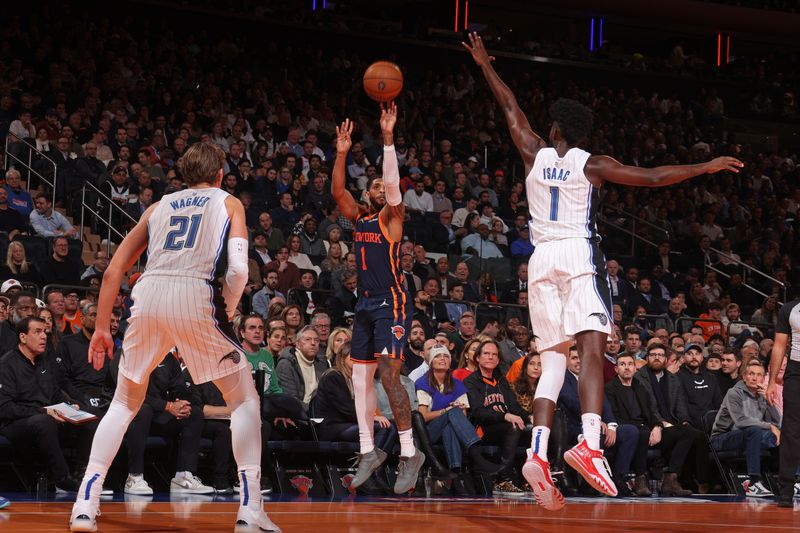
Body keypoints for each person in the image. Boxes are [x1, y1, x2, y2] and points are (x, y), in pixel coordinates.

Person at [462, 32, 744, 510]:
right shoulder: (592, 164)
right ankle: (590, 444)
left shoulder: (532, 150)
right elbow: (654, 177)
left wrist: (486, 64)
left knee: (552, 362)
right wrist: (707, 166)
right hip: (576, 254)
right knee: (593, 346)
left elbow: (509, 105)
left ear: (553, 131)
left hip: (540, 260)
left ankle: (537, 451)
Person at [69, 142, 280, 532]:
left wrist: (101, 327)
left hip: (147, 294)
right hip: (194, 292)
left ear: (183, 175)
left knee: (123, 402)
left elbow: (114, 270)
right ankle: (250, 509)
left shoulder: (157, 207)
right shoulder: (228, 202)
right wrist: (228, 310)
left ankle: (85, 502)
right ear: (219, 174)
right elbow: (237, 272)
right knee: (244, 398)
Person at [331, 104, 425, 494]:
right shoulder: (359, 219)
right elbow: (338, 190)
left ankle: (408, 452)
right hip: (366, 304)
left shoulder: (392, 217)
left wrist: (388, 140)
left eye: (378, 187)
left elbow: (391, 186)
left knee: (389, 374)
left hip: (392, 301)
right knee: (359, 377)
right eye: (368, 186)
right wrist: (340, 152)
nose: (374, 189)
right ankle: (369, 450)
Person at [713, 360, 780, 498]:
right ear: (744, 377)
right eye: (751, 374)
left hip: (751, 437)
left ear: (763, 378)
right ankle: (753, 483)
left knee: (790, 432)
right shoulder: (734, 393)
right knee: (754, 430)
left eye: (759, 375)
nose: (755, 378)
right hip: (723, 437)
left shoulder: (761, 395)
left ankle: (794, 480)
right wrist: (769, 426)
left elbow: (776, 421)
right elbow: (741, 421)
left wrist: (768, 400)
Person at [766, 287, 800, 507]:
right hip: (796, 371)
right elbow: (779, 346)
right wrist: (771, 381)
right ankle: (786, 489)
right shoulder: (789, 309)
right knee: (790, 430)